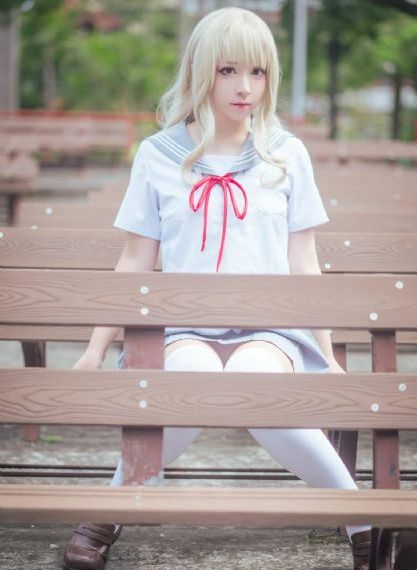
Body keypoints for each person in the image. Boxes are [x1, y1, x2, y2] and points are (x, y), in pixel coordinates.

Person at [62, 7, 371, 570]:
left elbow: (304, 260)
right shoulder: (158, 155)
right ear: (201, 71)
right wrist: (94, 349)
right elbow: (135, 258)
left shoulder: (286, 154)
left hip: (271, 329)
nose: (244, 87)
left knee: (253, 376)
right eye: (228, 70)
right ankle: (108, 510)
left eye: (257, 72)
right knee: (190, 374)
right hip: (180, 327)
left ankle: (364, 524)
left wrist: (327, 355)